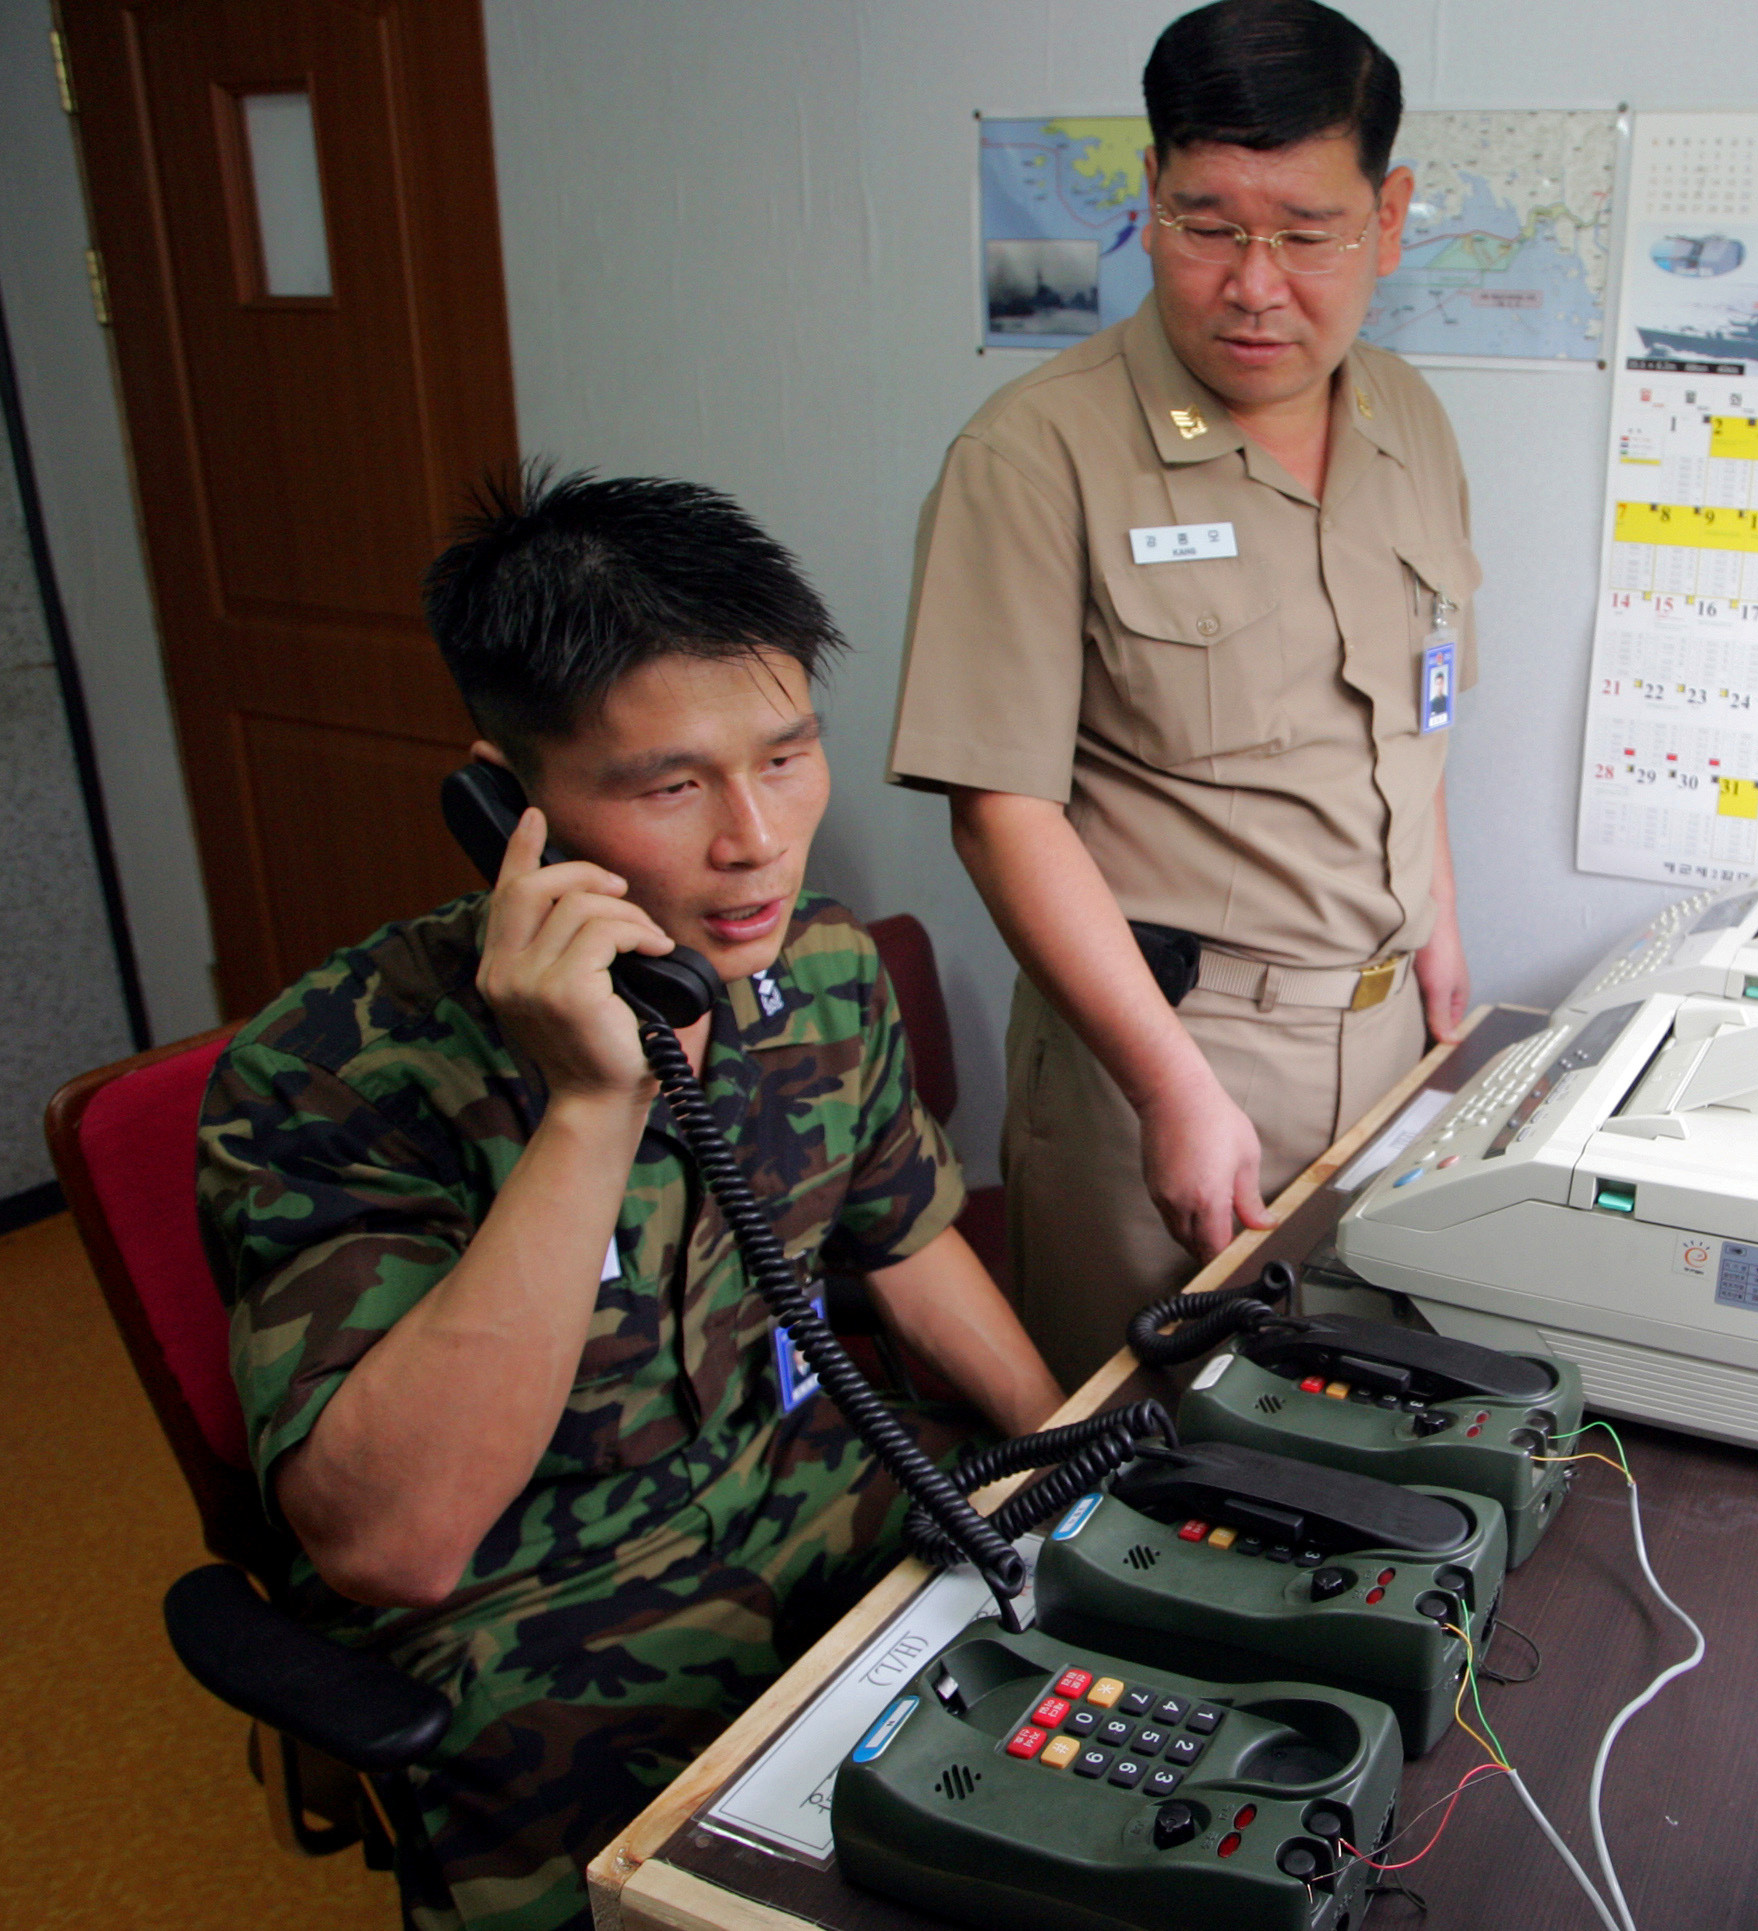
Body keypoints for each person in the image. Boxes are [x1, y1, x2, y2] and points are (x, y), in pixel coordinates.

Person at [199, 469, 1064, 1931]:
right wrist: (597, 1104)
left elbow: (908, 1242)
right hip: (532, 1636)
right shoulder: (331, 1071)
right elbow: (394, 1544)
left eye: (788, 760)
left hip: (820, 1500)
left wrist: (1071, 1476)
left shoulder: (825, 974)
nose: (757, 839)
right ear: (504, 799)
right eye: (672, 786)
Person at [888, 0, 1482, 1387]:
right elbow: (1001, 809)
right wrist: (1170, 1087)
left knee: (1350, 1443)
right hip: (1172, 1066)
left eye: (1307, 231)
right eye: (1208, 225)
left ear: (1387, 220)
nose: (1255, 284)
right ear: (1148, 200)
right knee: (1139, 1470)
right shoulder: (1037, 457)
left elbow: (1414, 715)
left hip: (1390, 1040)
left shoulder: (1409, 420)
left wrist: (1442, 923)